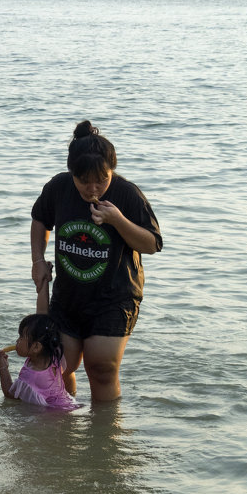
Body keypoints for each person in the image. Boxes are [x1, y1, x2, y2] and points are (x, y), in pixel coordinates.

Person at [30, 120, 162, 403]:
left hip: (114, 297)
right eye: (83, 181)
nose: (93, 189)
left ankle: (103, 438)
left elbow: (152, 244)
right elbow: (40, 219)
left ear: (111, 170)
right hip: (69, 296)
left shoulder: (126, 194)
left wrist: (118, 220)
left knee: (101, 367)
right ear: (71, 173)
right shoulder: (59, 187)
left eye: (101, 180)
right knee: (59, 365)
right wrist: (38, 260)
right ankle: (65, 425)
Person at [0, 313, 78, 409]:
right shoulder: (55, 356)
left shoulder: (30, 376)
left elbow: (10, 394)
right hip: (67, 404)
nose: (17, 341)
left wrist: (3, 367)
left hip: (50, 415)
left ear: (36, 347)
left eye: (21, 337)